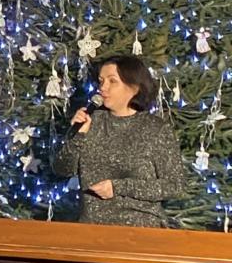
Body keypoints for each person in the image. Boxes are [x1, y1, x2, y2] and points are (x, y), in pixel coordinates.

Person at [56, 56, 185, 227]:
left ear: (134, 87)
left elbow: (175, 185)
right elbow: (62, 169)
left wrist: (118, 187)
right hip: (92, 228)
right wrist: (77, 136)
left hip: (141, 229)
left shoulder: (155, 128)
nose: (103, 87)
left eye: (112, 81)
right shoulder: (91, 122)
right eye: (101, 81)